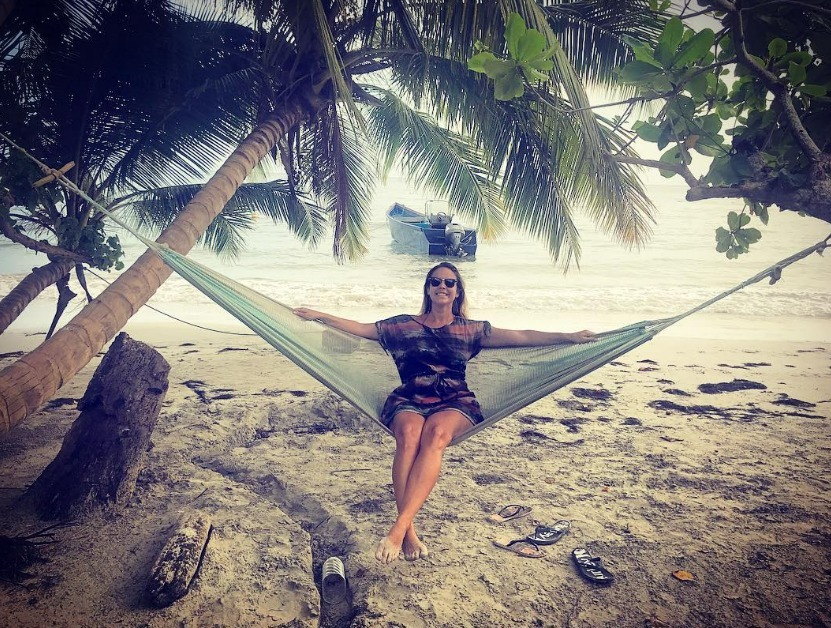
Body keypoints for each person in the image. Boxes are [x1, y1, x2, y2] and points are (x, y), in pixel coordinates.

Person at [293, 262, 596, 564]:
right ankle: (409, 531)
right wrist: (320, 315)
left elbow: (523, 336)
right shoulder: (402, 326)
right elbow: (361, 329)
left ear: (457, 292)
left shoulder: (471, 330)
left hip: (455, 400)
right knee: (409, 435)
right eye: (436, 281)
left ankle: (398, 529)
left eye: (450, 283)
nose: (442, 286)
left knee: (436, 435)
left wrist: (568, 337)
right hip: (410, 396)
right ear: (427, 289)